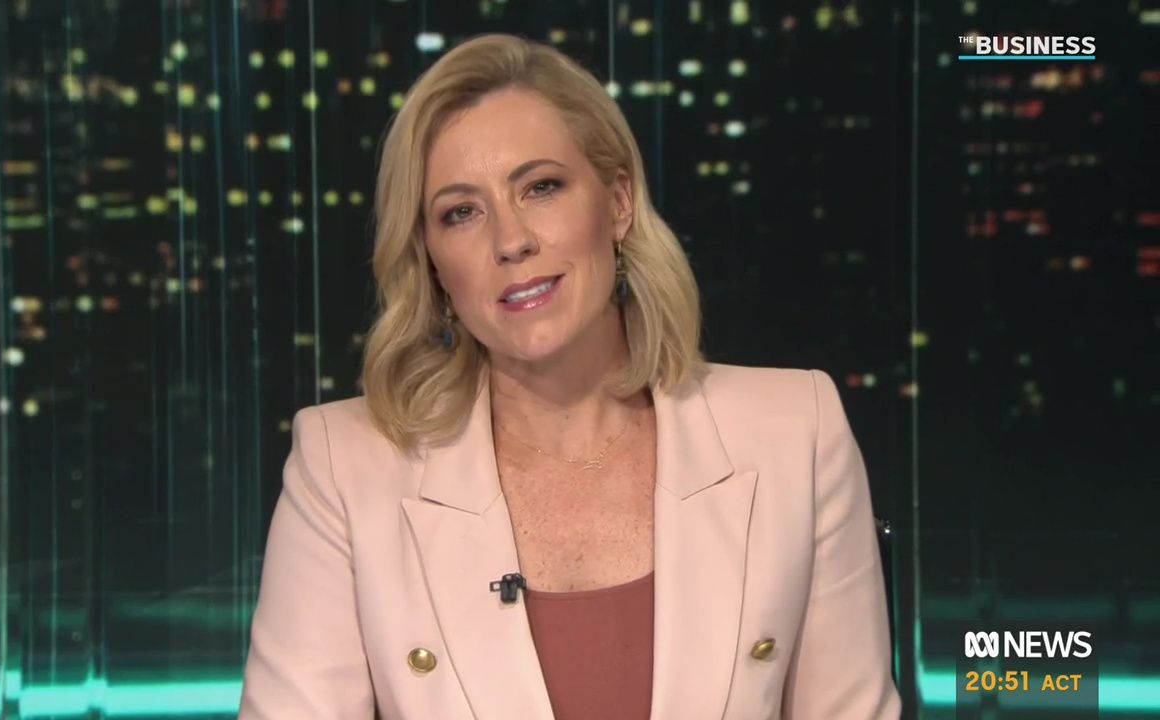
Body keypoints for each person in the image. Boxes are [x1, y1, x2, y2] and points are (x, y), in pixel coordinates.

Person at [238, 32, 900, 720]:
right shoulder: (344, 468)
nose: (511, 240)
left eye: (541, 187)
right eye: (461, 212)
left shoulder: (796, 432)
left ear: (618, 201)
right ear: (431, 259)